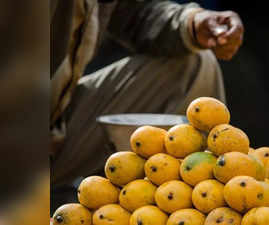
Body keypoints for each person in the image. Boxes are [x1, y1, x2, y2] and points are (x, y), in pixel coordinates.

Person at [50, 0, 243, 190]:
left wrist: (191, 23)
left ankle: (193, 201)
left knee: (192, 64)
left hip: (56, 123)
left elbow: (133, 13)